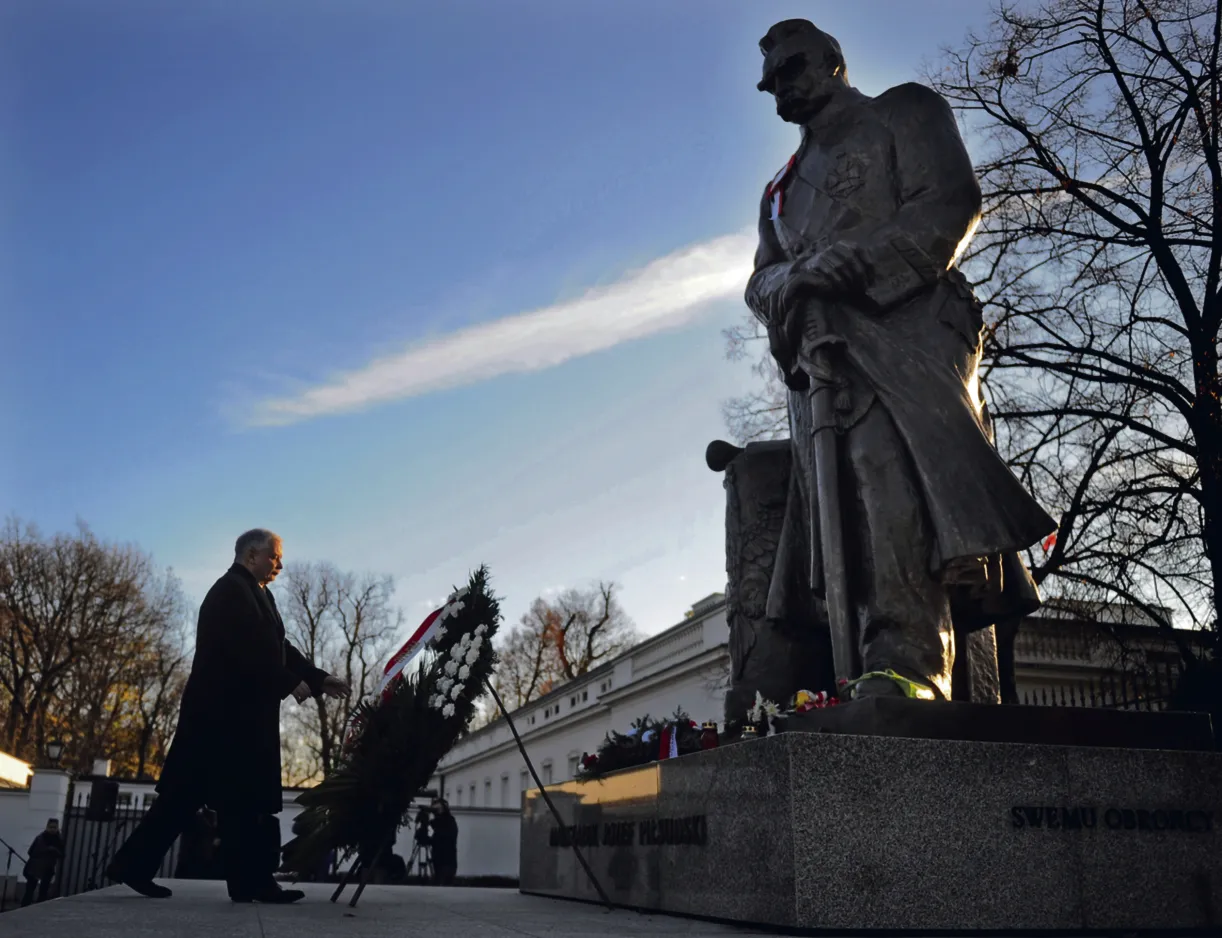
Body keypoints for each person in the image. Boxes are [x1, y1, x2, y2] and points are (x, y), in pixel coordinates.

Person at [734, 19, 1056, 706]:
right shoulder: (780, 193)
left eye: (792, 69)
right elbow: (759, 280)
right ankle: (847, 663)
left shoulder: (904, 112)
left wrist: (858, 267)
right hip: (823, 363)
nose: (780, 89)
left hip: (907, 329)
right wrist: (791, 285)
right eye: (770, 83)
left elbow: (949, 203)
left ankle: (912, 662)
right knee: (838, 504)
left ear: (834, 61)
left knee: (893, 478)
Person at [106, 529, 349, 903]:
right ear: (251, 556)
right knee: (229, 801)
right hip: (221, 721)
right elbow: (244, 648)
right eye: (275, 556)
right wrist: (287, 681)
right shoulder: (229, 592)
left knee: (219, 801)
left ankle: (148, 869)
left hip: (230, 719)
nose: (280, 564)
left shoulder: (256, 594)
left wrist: (317, 677)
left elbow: (277, 647)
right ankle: (249, 882)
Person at [21, 818, 63, 906]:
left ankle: (39, 906)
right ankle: (25, 906)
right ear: (47, 827)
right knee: (30, 889)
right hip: (35, 867)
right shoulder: (41, 838)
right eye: (51, 827)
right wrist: (46, 850)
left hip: (48, 867)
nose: (52, 829)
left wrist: (54, 851)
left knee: (43, 890)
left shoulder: (58, 839)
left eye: (54, 827)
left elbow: (62, 854)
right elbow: (31, 851)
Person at [428, 799, 458, 886]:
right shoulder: (446, 822)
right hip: (441, 859)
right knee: (440, 879)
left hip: (447, 860)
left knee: (444, 881)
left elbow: (442, 837)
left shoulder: (448, 822)